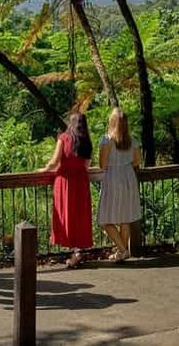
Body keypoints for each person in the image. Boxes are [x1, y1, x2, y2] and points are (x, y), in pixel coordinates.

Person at [39, 112, 94, 268]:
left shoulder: (64, 138)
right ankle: (77, 250)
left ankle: (75, 251)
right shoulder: (86, 140)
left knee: (67, 215)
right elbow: (87, 165)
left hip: (65, 182)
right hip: (81, 182)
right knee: (79, 215)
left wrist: (44, 170)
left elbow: (55, 161)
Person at [97, 108, 142, 262]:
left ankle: (123, 250)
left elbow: (102, 165)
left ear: (112, 122)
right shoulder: (133, 140)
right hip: (128, 177)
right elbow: (137, 161)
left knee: (104, 219)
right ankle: (122, 252)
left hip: (112, 178)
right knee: (125, 217)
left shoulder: (106, 140)